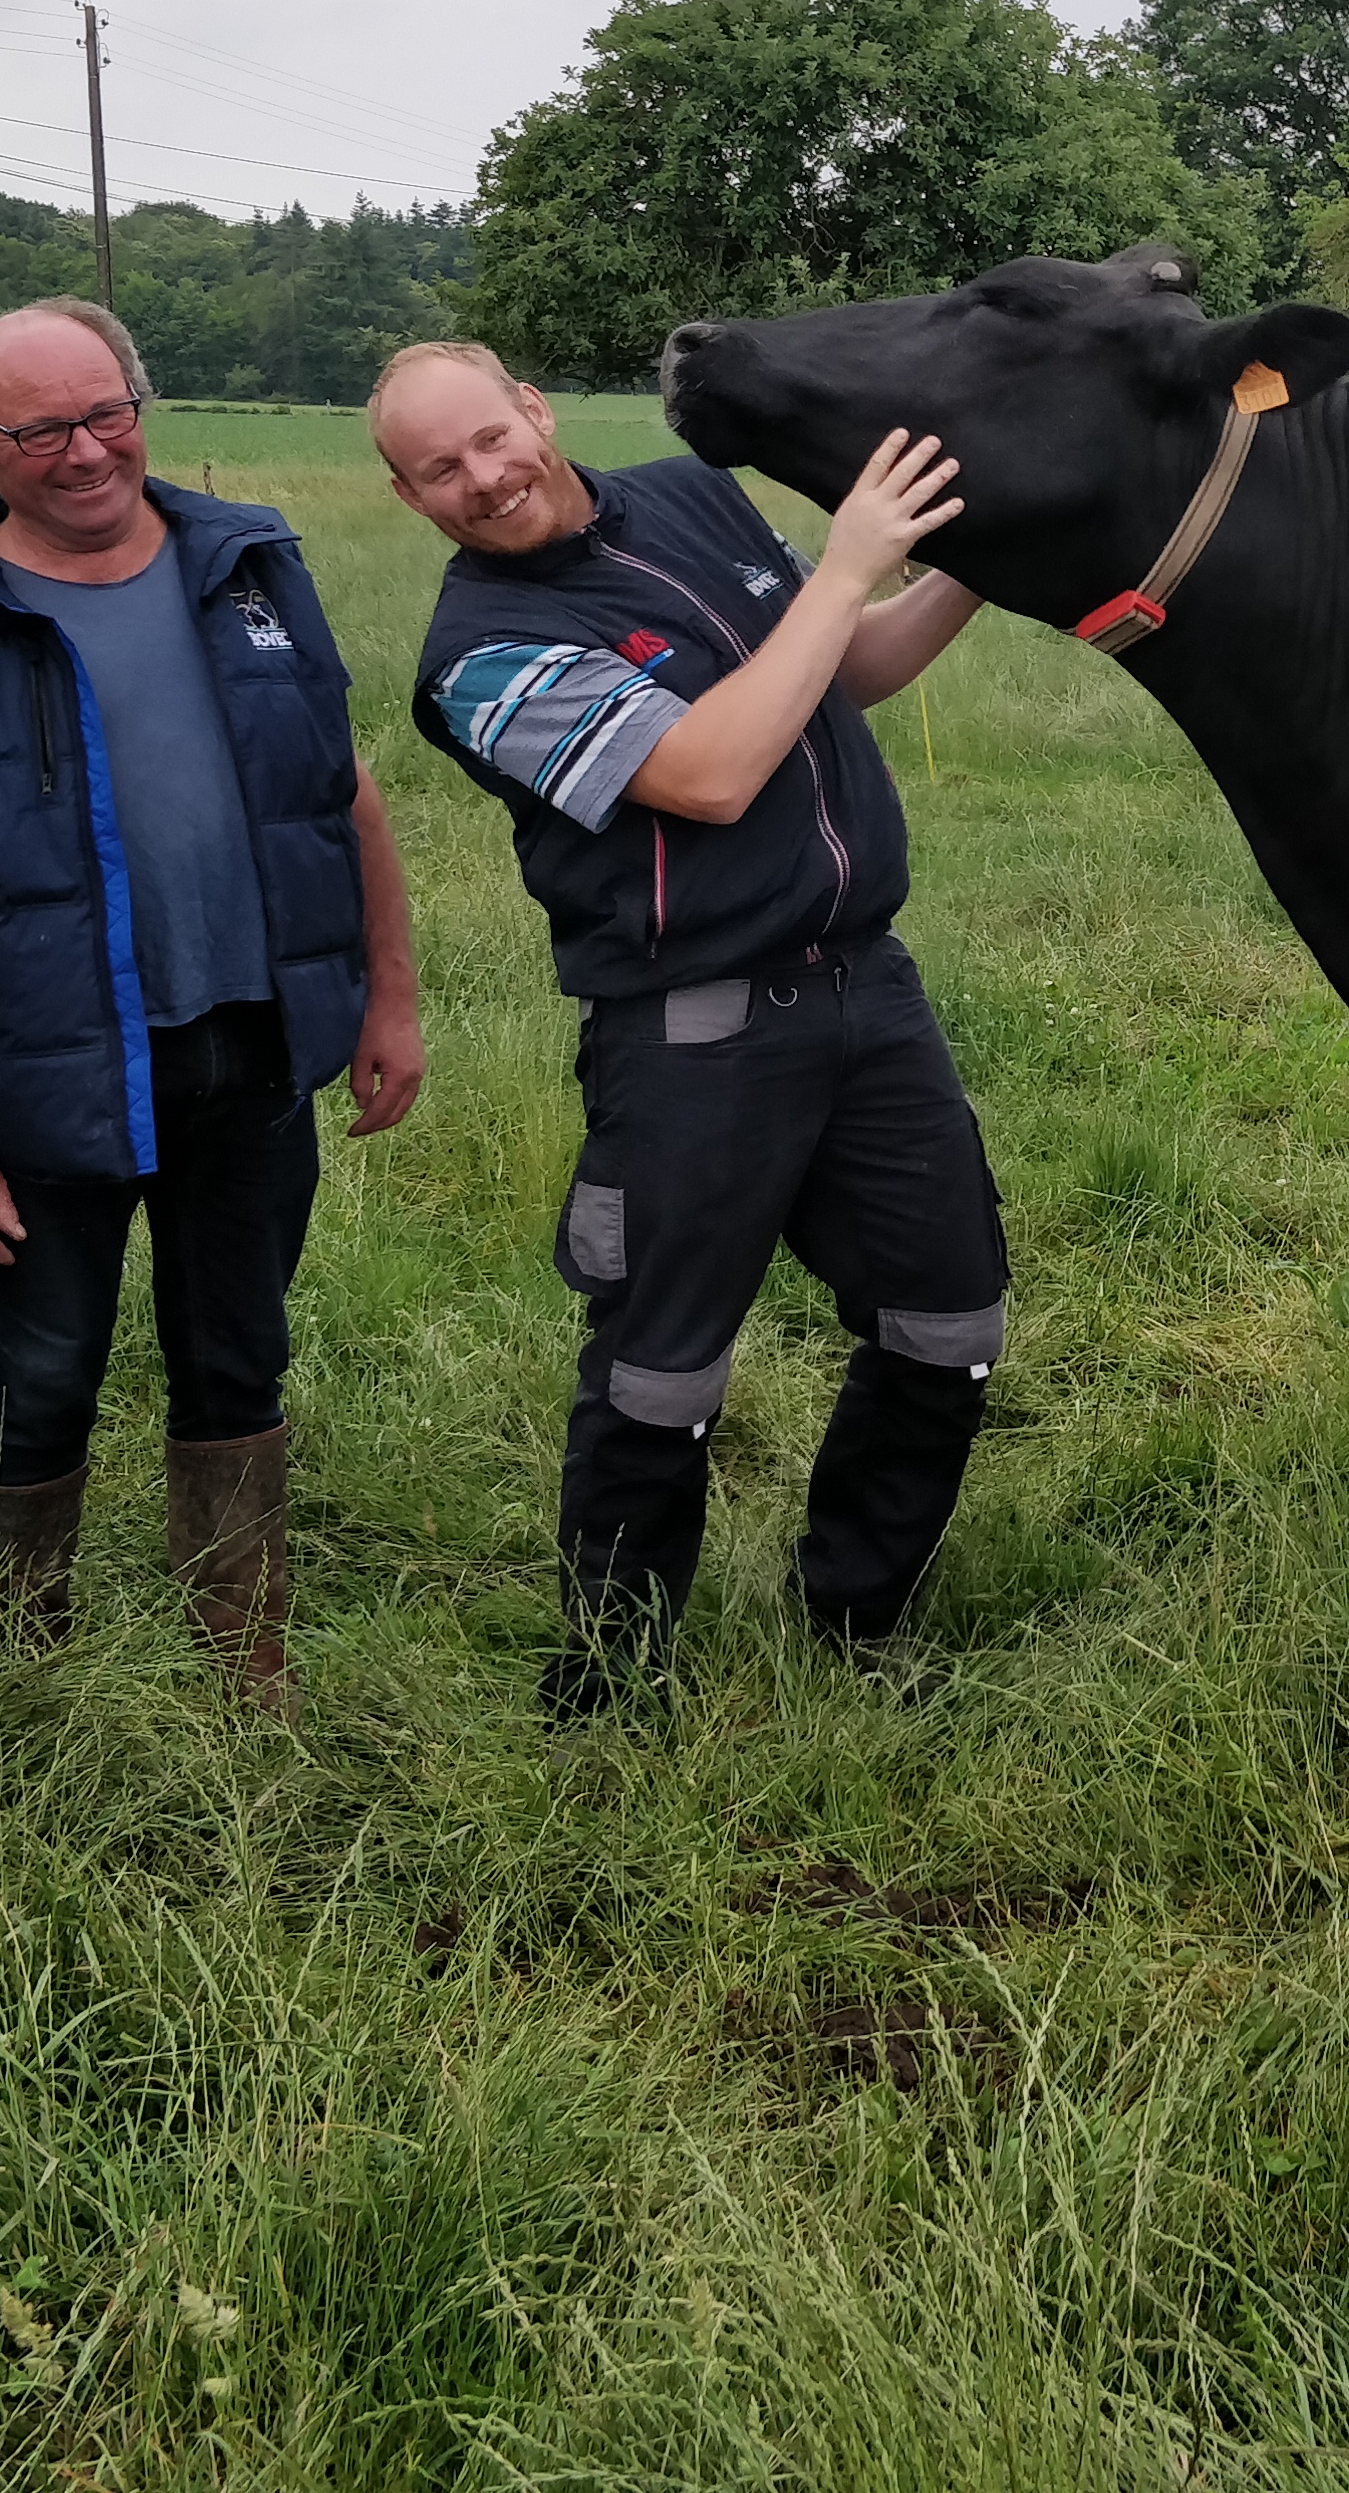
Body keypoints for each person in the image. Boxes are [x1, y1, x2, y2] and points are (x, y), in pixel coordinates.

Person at [367, 336, 996, 1714]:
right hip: (692, 1037)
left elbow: (841, 671)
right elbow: (708, 773)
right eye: (440, 470)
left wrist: (970, 570)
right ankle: (608, 1684)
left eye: (491, 436)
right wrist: (843, 566)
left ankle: (856, 1617)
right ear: (410, 499)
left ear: (533, 409)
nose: (483, 477)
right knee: (662, 1375)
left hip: (870, 994)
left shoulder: (693, 496)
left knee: (946, 1324)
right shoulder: (481, 659)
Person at [0, 298, 425, 1705]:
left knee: (240, 1353)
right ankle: (11, 1667)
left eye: (108, 413)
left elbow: (343, 794)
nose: (86, 451)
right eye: (40, 428)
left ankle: (242, 1658)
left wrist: (389, 1001)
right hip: (51, 1072)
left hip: (251, 1046)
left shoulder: (256, 568)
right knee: (40, 1369)